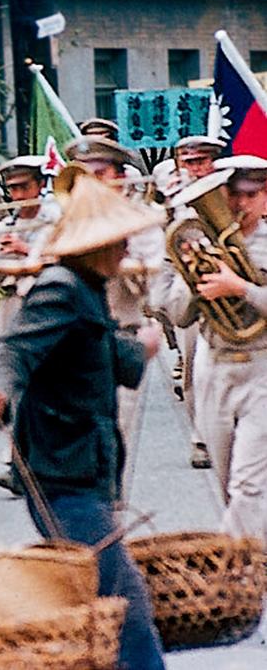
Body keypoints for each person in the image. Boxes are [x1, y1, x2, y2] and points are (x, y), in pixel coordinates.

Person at [0, 172, 167, 670]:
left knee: (103, 609)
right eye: (118, 240)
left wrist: (138, 347)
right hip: (62, 475)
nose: (126, 248)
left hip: (87, 468)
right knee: (125, 610)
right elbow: (12, 350)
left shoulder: (90, 288)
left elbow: (99, 356)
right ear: (96, 244)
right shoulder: (60, 289)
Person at [165, 156, 267, 547]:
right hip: (216, 366)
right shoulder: (201, 243)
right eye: (232, 196)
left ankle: (228, 564)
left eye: (250, 195)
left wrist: (239, 287)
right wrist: (193, 278)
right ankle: (253, 553)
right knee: (228, 482)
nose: (240, 205)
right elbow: (177, 315)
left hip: (261, 366)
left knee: (248, 483)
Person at [63, 136, 165, 472]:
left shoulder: (144, 217)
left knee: (113, 427)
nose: (92, 184)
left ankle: (108, 502)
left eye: (100, 173)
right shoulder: (67, 218)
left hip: (122, 333)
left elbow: (153, 282)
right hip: (73, 337)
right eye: (84, 176)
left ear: (120, 176)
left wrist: (120, 247)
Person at [0, 156, 60, 496]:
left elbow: (63, 262)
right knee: (10, 383)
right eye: (11, 188)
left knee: (45, 387)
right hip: (12, 305)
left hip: (48, 306)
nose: (17, 195)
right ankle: (17, 461)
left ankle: (29, 462)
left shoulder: (56, 221)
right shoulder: (2, 228)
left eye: (23, 187)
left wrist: (27, 250)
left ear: (40, 186)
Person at [155, 136, 224, 469]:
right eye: (188, 162)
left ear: (213, 162)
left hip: (230, 283)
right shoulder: (173, 199)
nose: (194, 168)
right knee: (194, 366)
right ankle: (201, 438)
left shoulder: (231, 190)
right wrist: (162, 299)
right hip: (191, 287)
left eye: (200, 161)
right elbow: (163, 251)